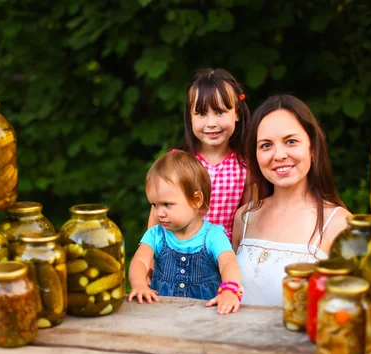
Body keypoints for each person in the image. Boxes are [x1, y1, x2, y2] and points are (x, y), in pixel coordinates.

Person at [232, 94, 350, 306]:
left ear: (312, 147)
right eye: (266, 145)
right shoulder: (244, 217)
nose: (279, 155)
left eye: (291, 141)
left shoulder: (340, 225)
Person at [130, 150, 242, 314]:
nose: (158, 213)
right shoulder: (156, 235)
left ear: (196, 200)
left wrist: (229, 290)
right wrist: (139, 284)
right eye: (154, 205)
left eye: (167, 204)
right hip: (161, 312)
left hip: (207, 314)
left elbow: (228, 262)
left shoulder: (213, 236)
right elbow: (140, 261)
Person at [147, 68, 251, 242]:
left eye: (220, 112)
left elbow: (248, 223)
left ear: (237, 113)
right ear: (190, 116)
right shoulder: (176, 162)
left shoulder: (245, 166)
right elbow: (156, 218)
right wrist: (149, 257)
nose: (211, 123)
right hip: (176, 257)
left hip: (222, 260)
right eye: (201, 114)